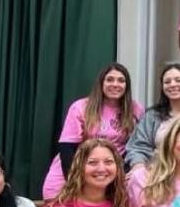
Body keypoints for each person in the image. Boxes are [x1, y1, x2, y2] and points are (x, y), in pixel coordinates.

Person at [41, 63, 143, 199]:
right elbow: (67, 149)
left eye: (121, 80)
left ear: (127, 86)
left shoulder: (135, 110)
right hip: (72, 172)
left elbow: (137, 146)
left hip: (106, 175)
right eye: (110, 79)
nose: (115, 84)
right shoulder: (81, 107)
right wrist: (76, 183)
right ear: (101, 83)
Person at [124, 63, 180, 170]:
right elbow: (137, 147)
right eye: (167, 82)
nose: (173, 84)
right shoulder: (152, 116)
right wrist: (138, 169)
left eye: (178, 80)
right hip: (154, 174)